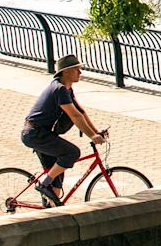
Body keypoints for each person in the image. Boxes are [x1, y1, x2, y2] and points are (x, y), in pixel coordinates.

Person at [21, 54, 106, 206]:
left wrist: (96, 131)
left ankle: (49, 210)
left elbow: (80, 112)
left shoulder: (67, 89)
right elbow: (74, 116)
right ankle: (43, 184)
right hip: (35, 134)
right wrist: (92, 136)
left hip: (43, 134)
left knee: (58, 179)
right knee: (72, 153)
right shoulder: (59, 89)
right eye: (77, 69)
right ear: (66, 72)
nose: (80, 73)